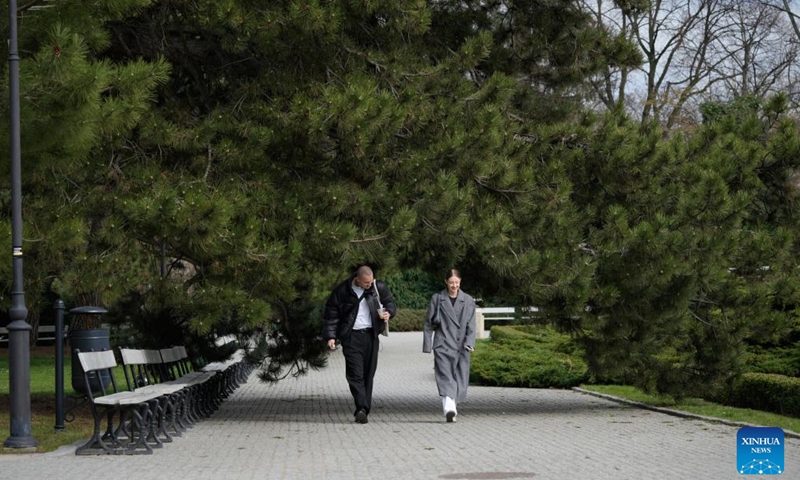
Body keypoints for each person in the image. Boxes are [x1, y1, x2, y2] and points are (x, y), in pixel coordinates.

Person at [322, 265, 395, 424]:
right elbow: (331, 314)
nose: (370, 284)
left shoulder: (377, 287)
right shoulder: (343, 290)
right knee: (355, 375)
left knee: (368, 374)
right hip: (351, 337)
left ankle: (363, 409)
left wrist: (388, 312)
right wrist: (331, 337)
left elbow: (390, 303)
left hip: (371, 336)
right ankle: (361, 408)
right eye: (366, 282)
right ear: (358, 279)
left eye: (371, 281)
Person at [422, 268, 476, 423]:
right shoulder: (437, 298)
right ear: (446, 281)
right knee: (445, 377)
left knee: (460, 378)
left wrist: (470, 342)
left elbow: (471, 325)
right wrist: (427, 345)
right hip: (443, 343)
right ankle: (449, 409)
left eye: (457, 282)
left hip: (461, 346)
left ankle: (452, 407)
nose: (454, 285)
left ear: (460, 282)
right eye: (451, 282)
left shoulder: (467, 300)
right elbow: (428, 323)